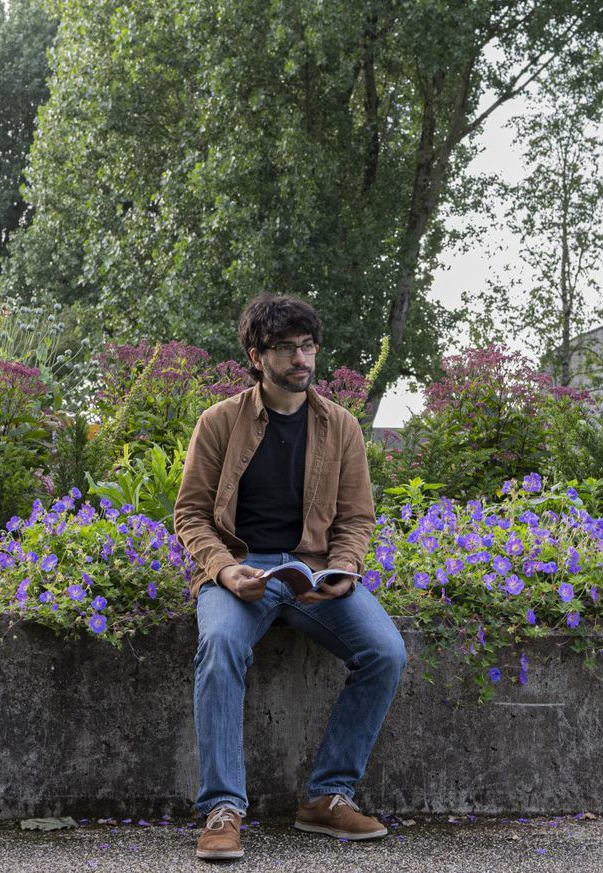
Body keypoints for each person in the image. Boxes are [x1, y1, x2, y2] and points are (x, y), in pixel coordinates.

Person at [173, 293, 407, 862]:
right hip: (243, 570)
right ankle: (223, 809)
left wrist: (346, 570)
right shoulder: (219, 422)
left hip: (315, 574)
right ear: (257, 356)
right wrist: (226, 571)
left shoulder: (342, 426)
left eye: (307, 346)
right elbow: (191, 514)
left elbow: (356, 518)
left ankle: (327, 796)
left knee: (386, 652)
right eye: (285, 349)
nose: (301, 359)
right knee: (222, 643)